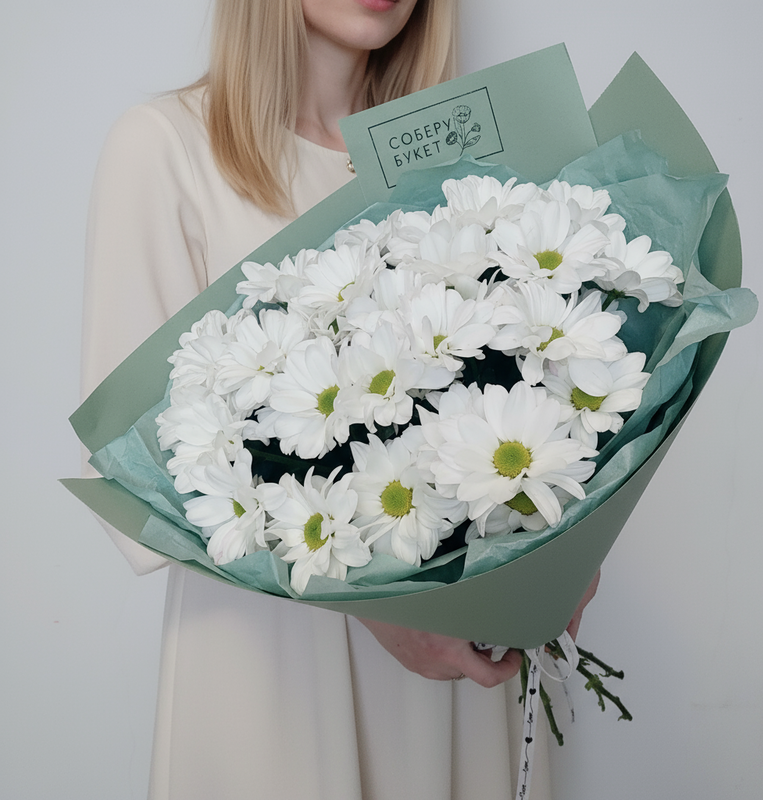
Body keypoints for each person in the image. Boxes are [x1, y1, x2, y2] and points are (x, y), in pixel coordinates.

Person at [82, 1, 592, 796]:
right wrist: (382, 610)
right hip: (275, 665)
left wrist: (556, 549)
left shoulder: (461, 151)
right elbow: (135, 465)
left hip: (462, 658)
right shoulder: (166, 147)